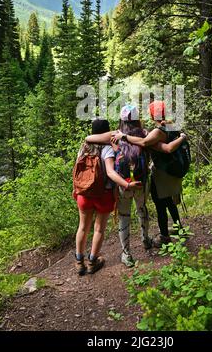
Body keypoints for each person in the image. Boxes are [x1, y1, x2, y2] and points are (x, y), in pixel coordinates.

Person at [113, 101, 187, 248]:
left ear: (153, 114)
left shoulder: (156, 132)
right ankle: (179, 230)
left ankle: (164, 237)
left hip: (163, 173)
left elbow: (149, 144)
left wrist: (123, 137)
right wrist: (183, 137)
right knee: (170, 203)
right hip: (174, 171)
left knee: (160, 204)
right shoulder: (173, 125)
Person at [74, 118, 142, 276]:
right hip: (103, 195)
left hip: (84, 194)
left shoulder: (84, 147)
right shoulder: (108, 149)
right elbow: (111, 173)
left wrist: (75, 189)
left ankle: (79, 262)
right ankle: (92, 262)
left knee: (83, 227)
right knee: (99, 229)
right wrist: (126, 185)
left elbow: (77, 170)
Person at [86, 106, 151, 267]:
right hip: (141, 182)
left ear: (121, 120)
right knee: (142, 209)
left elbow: (89, 138)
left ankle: (126, 254)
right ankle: (145, 239)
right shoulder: (145, 134)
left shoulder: (114, 135)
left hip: (123, 184)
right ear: (137, 119)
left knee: (124, 216)